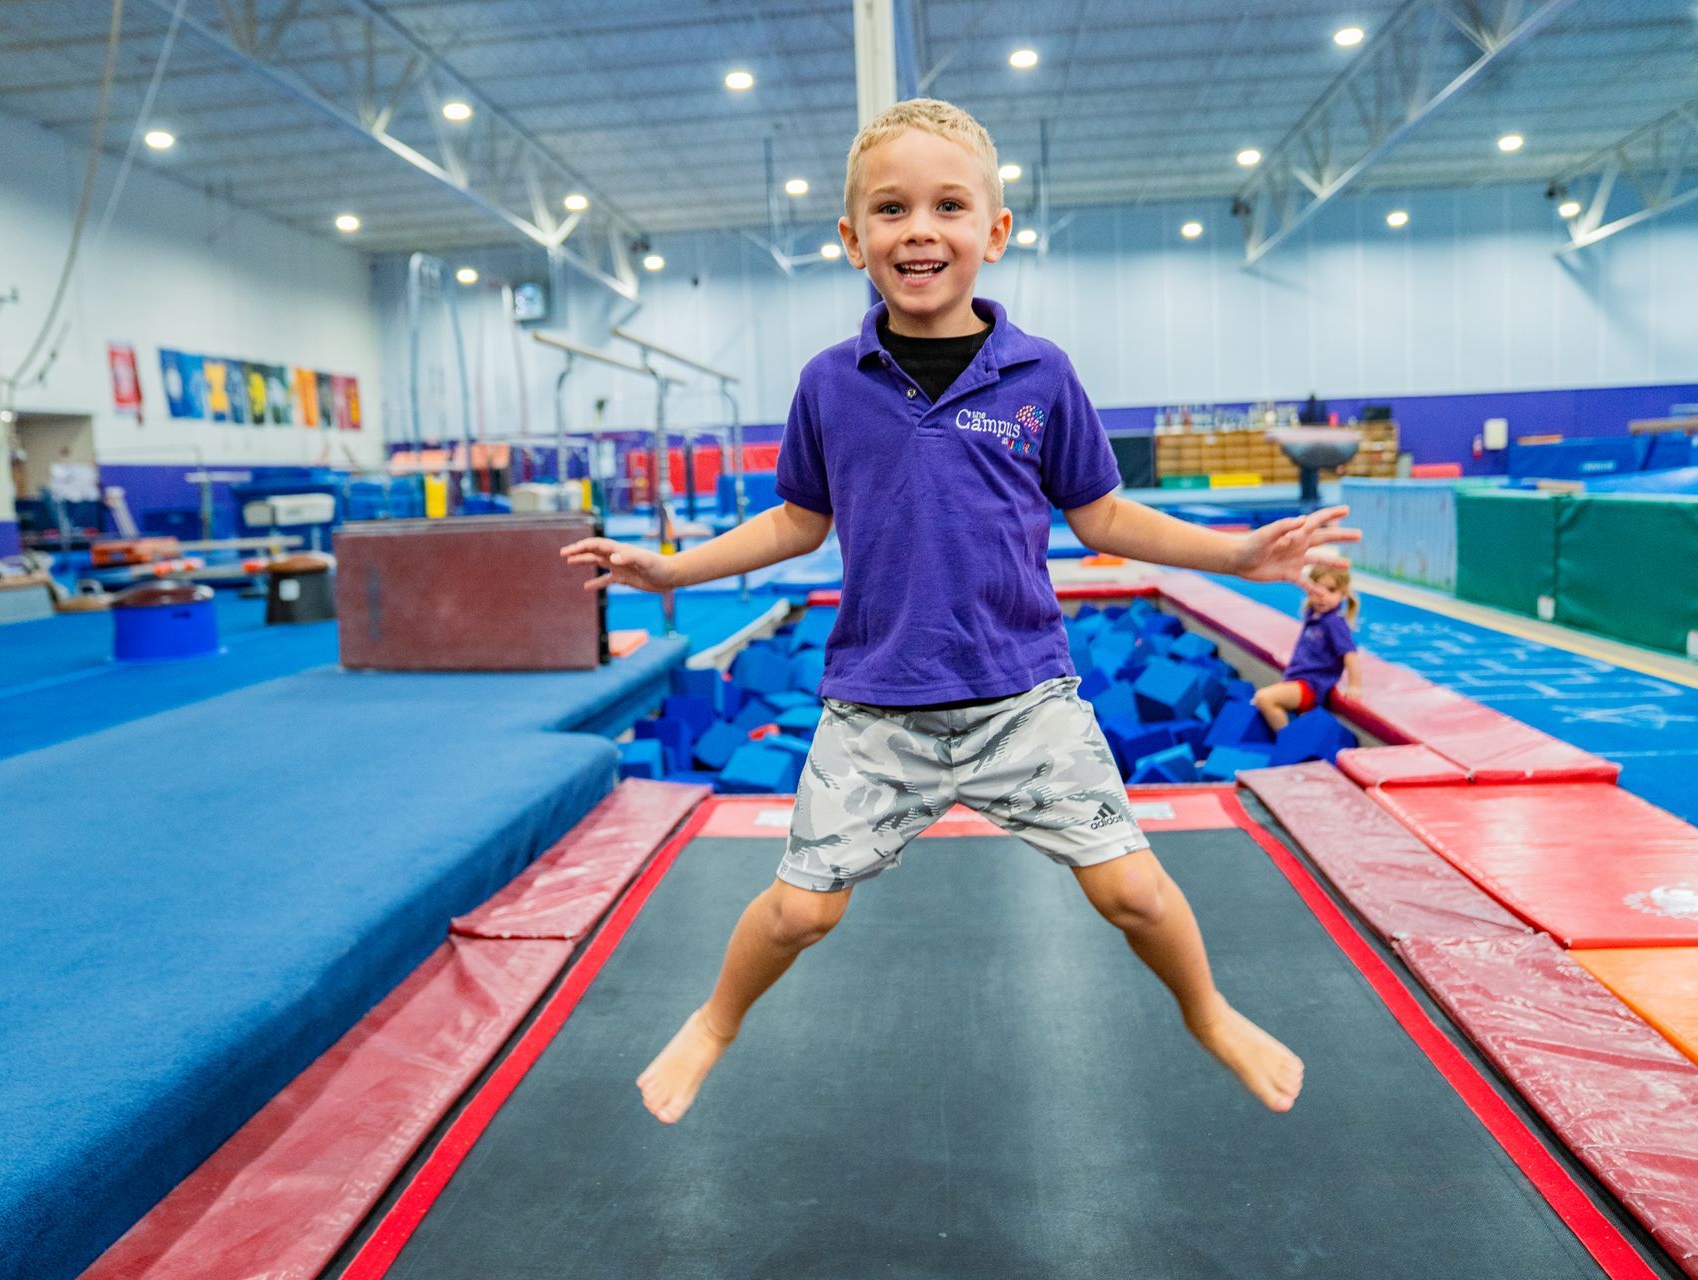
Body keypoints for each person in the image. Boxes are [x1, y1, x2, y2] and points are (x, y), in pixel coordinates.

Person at [560, 99, 1357, 1127]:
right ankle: (715, 1018)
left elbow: (1105, 515)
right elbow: (796, 522)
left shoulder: (1041, 374)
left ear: (996, 230)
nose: (919, 229)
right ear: (853, 239)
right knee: (801, 908)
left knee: (1134, 893)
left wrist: (1240, 552)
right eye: (890, 209)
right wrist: (668, 568)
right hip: (877, 702)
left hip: (1024, 692)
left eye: (948, 205)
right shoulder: (828, 385)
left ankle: (1207, 1009)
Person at [1252, 561, 1363, 732]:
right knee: (1259, 702)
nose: (1322, 595)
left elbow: (1350, 653)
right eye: (1317, 589)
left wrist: (1354, 685)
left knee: (1263, 698)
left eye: (1331, 590)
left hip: (1311, 686)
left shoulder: (1334, 622)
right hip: (1297, 680)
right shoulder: (1313, 615)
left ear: (1343, 595)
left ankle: (1288, 742)